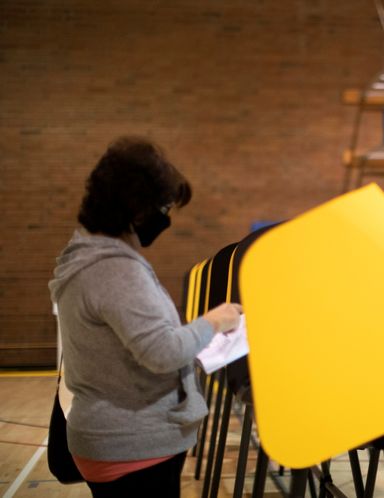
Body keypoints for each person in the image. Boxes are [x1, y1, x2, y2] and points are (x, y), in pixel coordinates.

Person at [48, 137, 242, 498]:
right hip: (135, 445)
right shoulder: (116, 269)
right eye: (165, 206)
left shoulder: (84, 259)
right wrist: (217, 319)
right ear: (137, 209)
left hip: (112, 440)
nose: (166, 217)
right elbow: (163, 353)